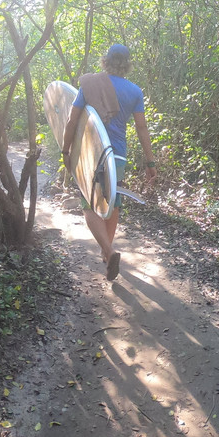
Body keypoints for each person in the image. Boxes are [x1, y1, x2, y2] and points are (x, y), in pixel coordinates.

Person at [61, 43, 157, 281]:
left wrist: (65, 150)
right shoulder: (134, 91)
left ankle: (108, 250)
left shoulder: (90, 84)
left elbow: (72, 121)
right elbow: (142, 128)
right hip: (118, 155)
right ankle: (108, 252)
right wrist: (150, 162)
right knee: (112, 202)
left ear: (106, 60)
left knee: (89, 203)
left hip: (91, 153)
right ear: (127, 64)